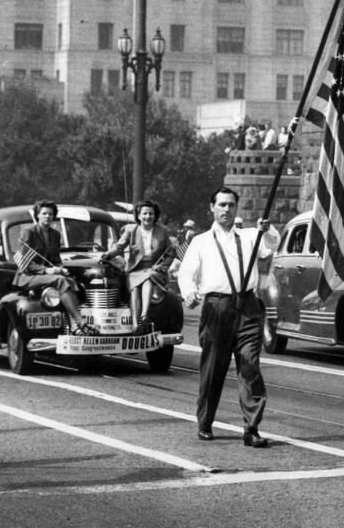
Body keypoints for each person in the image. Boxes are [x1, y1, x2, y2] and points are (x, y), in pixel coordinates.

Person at [177, 187, 279, 447]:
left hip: (248, 307)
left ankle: (251, 428)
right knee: (213, 367)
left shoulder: (248, 237)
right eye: (221, 205)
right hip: (217, 308)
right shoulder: (200, 241)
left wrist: (266, 229)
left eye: (231, 205)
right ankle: (205, 422)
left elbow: (271, 245)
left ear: (236, 209)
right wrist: (189, 293)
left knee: (249, 366)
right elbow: (186, 273)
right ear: (211, 208)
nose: (226, 209)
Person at [13, 200, 97, 335]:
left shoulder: (55, 234)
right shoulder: (29, 232)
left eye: (50, 214)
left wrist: (60, 268)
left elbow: (55, 259)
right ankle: (80, 322)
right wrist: (47, 270)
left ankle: (73, 326)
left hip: (48, 275)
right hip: (28, 275)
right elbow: (24, 261)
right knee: (61, 281)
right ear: (37, 215)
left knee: (70, 281)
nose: (47, 216)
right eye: (44, 213)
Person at [103, 200, 173, 334]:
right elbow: (119, 247)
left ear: (155, 215)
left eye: (151, 214)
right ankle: (136, 323)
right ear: (139, 216)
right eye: (144, 214)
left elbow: (170, 254)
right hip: (135, 269)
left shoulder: (162, 230)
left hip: (154, 269)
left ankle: (144, 316)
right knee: (134, 287)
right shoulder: (131, 229)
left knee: (148, 278)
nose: (148, 217)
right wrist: (108, 254)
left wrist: (162, 266)